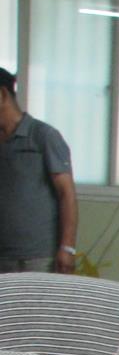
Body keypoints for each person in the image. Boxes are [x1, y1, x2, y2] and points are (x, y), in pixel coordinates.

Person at [0, 67, 78, 275]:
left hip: (38, 258)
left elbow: (66, 194)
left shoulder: (43, 136)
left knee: (35, 308)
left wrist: (67, 248)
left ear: (2, 95)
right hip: (2, 257)